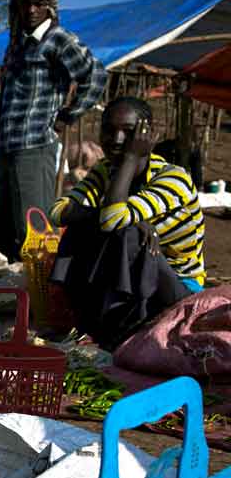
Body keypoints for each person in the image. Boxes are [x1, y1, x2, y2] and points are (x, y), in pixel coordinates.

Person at [50, 97, 204, 348]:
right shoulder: (104, 170)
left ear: (149, 135)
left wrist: (131, 158)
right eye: (109, 130)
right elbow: (59, 212)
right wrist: (98, 213)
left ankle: (129, 328)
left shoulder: (174, 179)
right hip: (132, 283)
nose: (117, 139)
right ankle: (88, 319)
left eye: (129, 132)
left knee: (127, 231)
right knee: (84, 224)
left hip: (176, 291)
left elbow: (113, 220)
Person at [0, 0, 107, 261]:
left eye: (39, 4)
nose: (31, 10)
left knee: (33, 231)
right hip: (8, 146)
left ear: (50, 8)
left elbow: (95, 76)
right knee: (3, 230)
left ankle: (38, 297)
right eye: (25, 4)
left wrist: (67, 115)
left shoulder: (58, 40)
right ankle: (9, 295)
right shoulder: (19, 43)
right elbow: (12, 95)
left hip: (35, 146)